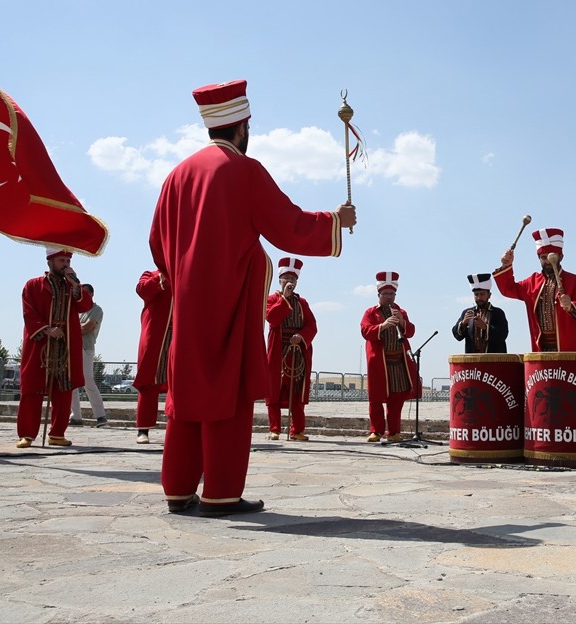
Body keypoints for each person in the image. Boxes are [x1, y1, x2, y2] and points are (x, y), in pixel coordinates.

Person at [149, 79, 355, 516]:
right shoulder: (243, 170)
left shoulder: (176, 176)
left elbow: (157, 243)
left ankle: (178, 489)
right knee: (229, 394)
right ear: (242, 127)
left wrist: (183, 277)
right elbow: (287, 224)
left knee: (186, 398)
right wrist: (335, 220)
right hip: (229, 301)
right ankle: (221, 493)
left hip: (186, 307)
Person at [17, 247, 92, 448]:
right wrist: (47, 329)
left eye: (68, 261)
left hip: (66, 343)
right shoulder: (33, 285)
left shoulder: (72, 287)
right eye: (61, 261)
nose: (65, 265)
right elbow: (29, 313)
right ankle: (27, 434)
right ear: (50, 262)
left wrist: (76, 285)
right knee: (32, 388)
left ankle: (57, 433)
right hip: (41, 342)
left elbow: (85, 306)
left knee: (64, 388)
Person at [494, 227, 576, 352]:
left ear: (561, 257)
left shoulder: (574, 281)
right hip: (541, 348)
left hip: (569, 347)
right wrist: (506, 265)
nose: (548, 261)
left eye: (551, 256)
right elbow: (508, 289)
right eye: (543, 257)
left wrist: (571, 306)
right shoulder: (532, 282)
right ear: (538, 258)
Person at [360, 272, 419, 443]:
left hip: (399, 363)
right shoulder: (371, 312)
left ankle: (393, 432)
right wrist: (383, 326)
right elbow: (365, 331)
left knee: (396, 399)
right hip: (380, 363)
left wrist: (402, 322)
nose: (389, 297)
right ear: (378, 294)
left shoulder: (401, 312)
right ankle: (376, 431)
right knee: (376, 398)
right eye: (385, 294)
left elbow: (411, 332)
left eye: (392, 294)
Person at [265, 257, 317, 441]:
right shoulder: (271, 299)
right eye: (286, 278)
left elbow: (311, 325)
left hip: (298, 351)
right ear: (280, 280)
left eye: (293, 279)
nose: (290, 281)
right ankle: (275, 429)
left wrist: (301, 336)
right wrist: (284, 299)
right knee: (274, 390)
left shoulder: (302, 303)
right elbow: (272, 318)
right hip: (278, 351)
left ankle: (297, 430)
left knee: (297, 390)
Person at [132, 269, 171, 445]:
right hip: (156, 334)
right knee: (149, 379)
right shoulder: (151, 274)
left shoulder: (185, 272)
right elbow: (142, 290)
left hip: (181, 333)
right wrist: (162, 275)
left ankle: (178, 430)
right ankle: (143, 429)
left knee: (181, 382)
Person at [69, 283, 107, 428]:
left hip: (85, 348)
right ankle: (76, 416)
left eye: (84, 293)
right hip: (72, 347)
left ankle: (100, 415)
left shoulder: (96, 310)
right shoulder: (77, 310)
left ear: (91, 295)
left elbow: (87, 327)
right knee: (72, 382)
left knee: (87, 381)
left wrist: (71, 329)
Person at [451, 273, 509, 354]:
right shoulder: (467, 313)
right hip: (472, 360)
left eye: (482, 294)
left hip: (494, 360)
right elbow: (457, 336)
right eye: (476, 294)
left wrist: (486, 327)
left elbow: (503, 335)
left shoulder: (498, 313)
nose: (479, 298)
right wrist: (463, 324)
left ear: (489, 295)